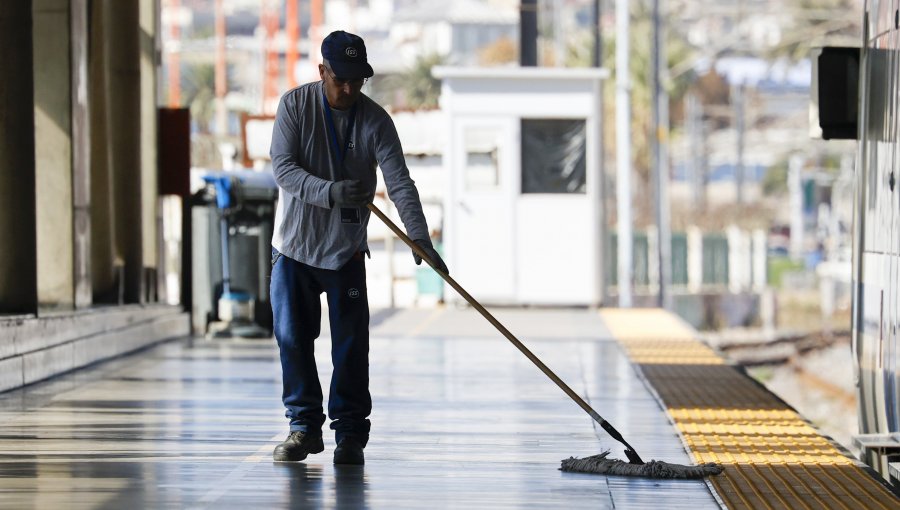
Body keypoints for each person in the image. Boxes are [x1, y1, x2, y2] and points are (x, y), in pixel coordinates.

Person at [268, 30, 448, 465]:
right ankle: (304, 427)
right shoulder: (295, 106)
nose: (348, 89)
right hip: (293, 247)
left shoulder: (375, 121)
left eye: (357, 80)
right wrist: (330, 192)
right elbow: (283, 170)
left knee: (350, 344)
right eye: (340, 79)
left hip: (345, 251)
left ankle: (349, 433)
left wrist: (418, 236)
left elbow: (399, 180)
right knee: (293, 339)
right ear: (322, 72)